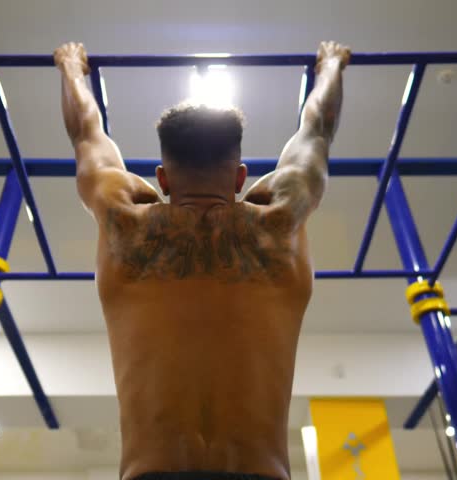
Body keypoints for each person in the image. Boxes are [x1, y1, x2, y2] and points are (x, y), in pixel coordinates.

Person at [55, 40, 351, 480]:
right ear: (240, 177)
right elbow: (318, 131)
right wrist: (331, 65)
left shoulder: (124, 223)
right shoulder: (281, 222)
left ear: (161, 179)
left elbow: (85, 134)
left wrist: (71, 68)